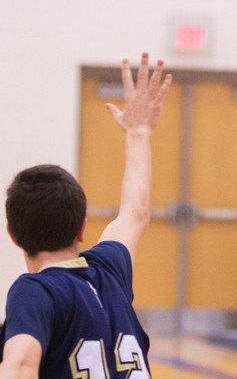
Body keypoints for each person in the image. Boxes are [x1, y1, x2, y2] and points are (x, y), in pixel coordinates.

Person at [0, 53, 172, 378]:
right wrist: (138, 134)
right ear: (82, 228)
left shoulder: (34, 291)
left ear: (13, 234)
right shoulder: (109, 270)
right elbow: (136, 212)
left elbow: (21, 363)